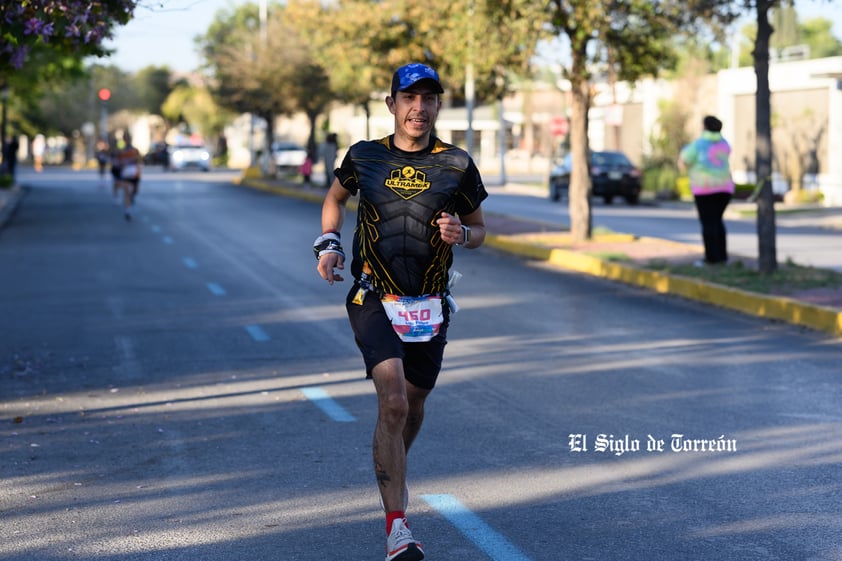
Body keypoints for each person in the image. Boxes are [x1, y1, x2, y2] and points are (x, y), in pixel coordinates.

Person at [315, 62, 487, 561]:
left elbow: (479, 230)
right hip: (372, 296)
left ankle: (391, 468)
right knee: (392, 403)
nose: (420, 107)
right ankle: (398, 527)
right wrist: (328, 244)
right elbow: (335, 199)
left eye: (429, 98)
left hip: (429, 304)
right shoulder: (364, 156)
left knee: (411, 406)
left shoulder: (456, 164)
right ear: (391, 104)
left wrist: (464, 234)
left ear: (438, 105)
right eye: (409, 98)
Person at [679, 115, 735, 265]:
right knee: (717, 222)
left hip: (705, 188)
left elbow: (685, 159)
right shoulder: (724, 143)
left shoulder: (698, 144)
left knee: (708, 223)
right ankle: (722, 257)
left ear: (704, 127)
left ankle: (711, 258)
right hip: (725, 188)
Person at [114, 132, 142, 221]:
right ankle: (128, 212)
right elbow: (117, 162)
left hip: (135, 173)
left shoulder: (135, 150)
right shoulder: (121, 151)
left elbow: (139, 160)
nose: (127, 139)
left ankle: (132, 198)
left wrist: (133, 161)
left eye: (128, 138)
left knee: (135, 191)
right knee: (127, 192)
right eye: (125, 138)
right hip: (125, 173)